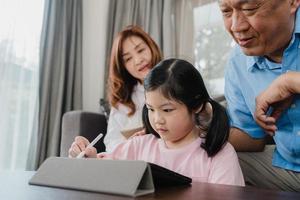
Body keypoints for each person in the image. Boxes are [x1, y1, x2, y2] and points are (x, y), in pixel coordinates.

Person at [69, 59, 245, 186]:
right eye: (151, 109)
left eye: (167, 110)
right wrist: (88, 158)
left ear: (197, 106)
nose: (157, 119)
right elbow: (103, 173)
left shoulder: (219, 155)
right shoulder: (137, 146)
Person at [218, 0, 300, 191]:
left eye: (250, 9)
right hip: (288, 169)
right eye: (226, 12)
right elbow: (252, 138)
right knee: (211, 160)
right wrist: (196, 128)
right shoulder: (237, 63)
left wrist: (290, 82)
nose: (236, 26)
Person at [104, 25, 162, 152]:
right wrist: (133, 142)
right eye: (128, 59)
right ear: (123, 67)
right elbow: (111, 143)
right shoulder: (123, 100)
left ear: (151, 47)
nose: (138, 60)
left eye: (140, 50)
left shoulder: (175, 80)